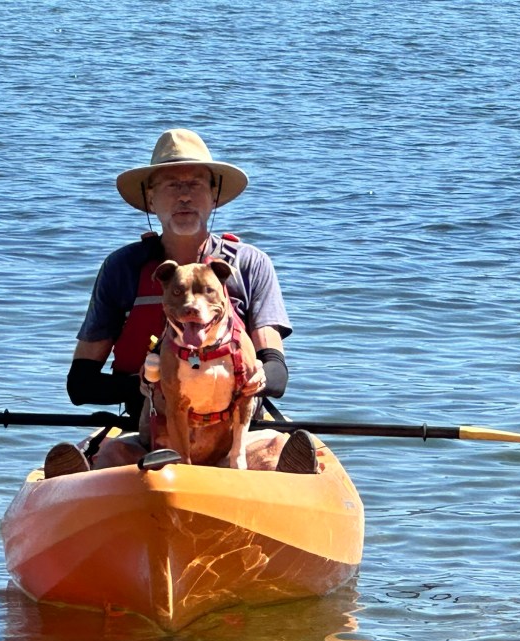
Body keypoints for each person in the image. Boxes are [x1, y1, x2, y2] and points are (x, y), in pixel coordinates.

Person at [44, 128, 317, 477]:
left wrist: (250, 378)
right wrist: (160, 382)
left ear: (214, 196)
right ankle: (79, 481)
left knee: (276, 452)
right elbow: (81, 384)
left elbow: (276, 375)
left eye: (195, 184)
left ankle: (288, 480)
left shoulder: (248, 264)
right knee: (112, 455)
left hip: (240, 433)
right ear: (151, 199)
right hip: (153, 430)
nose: (184, 197)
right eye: (172, 185)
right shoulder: (123, 268)